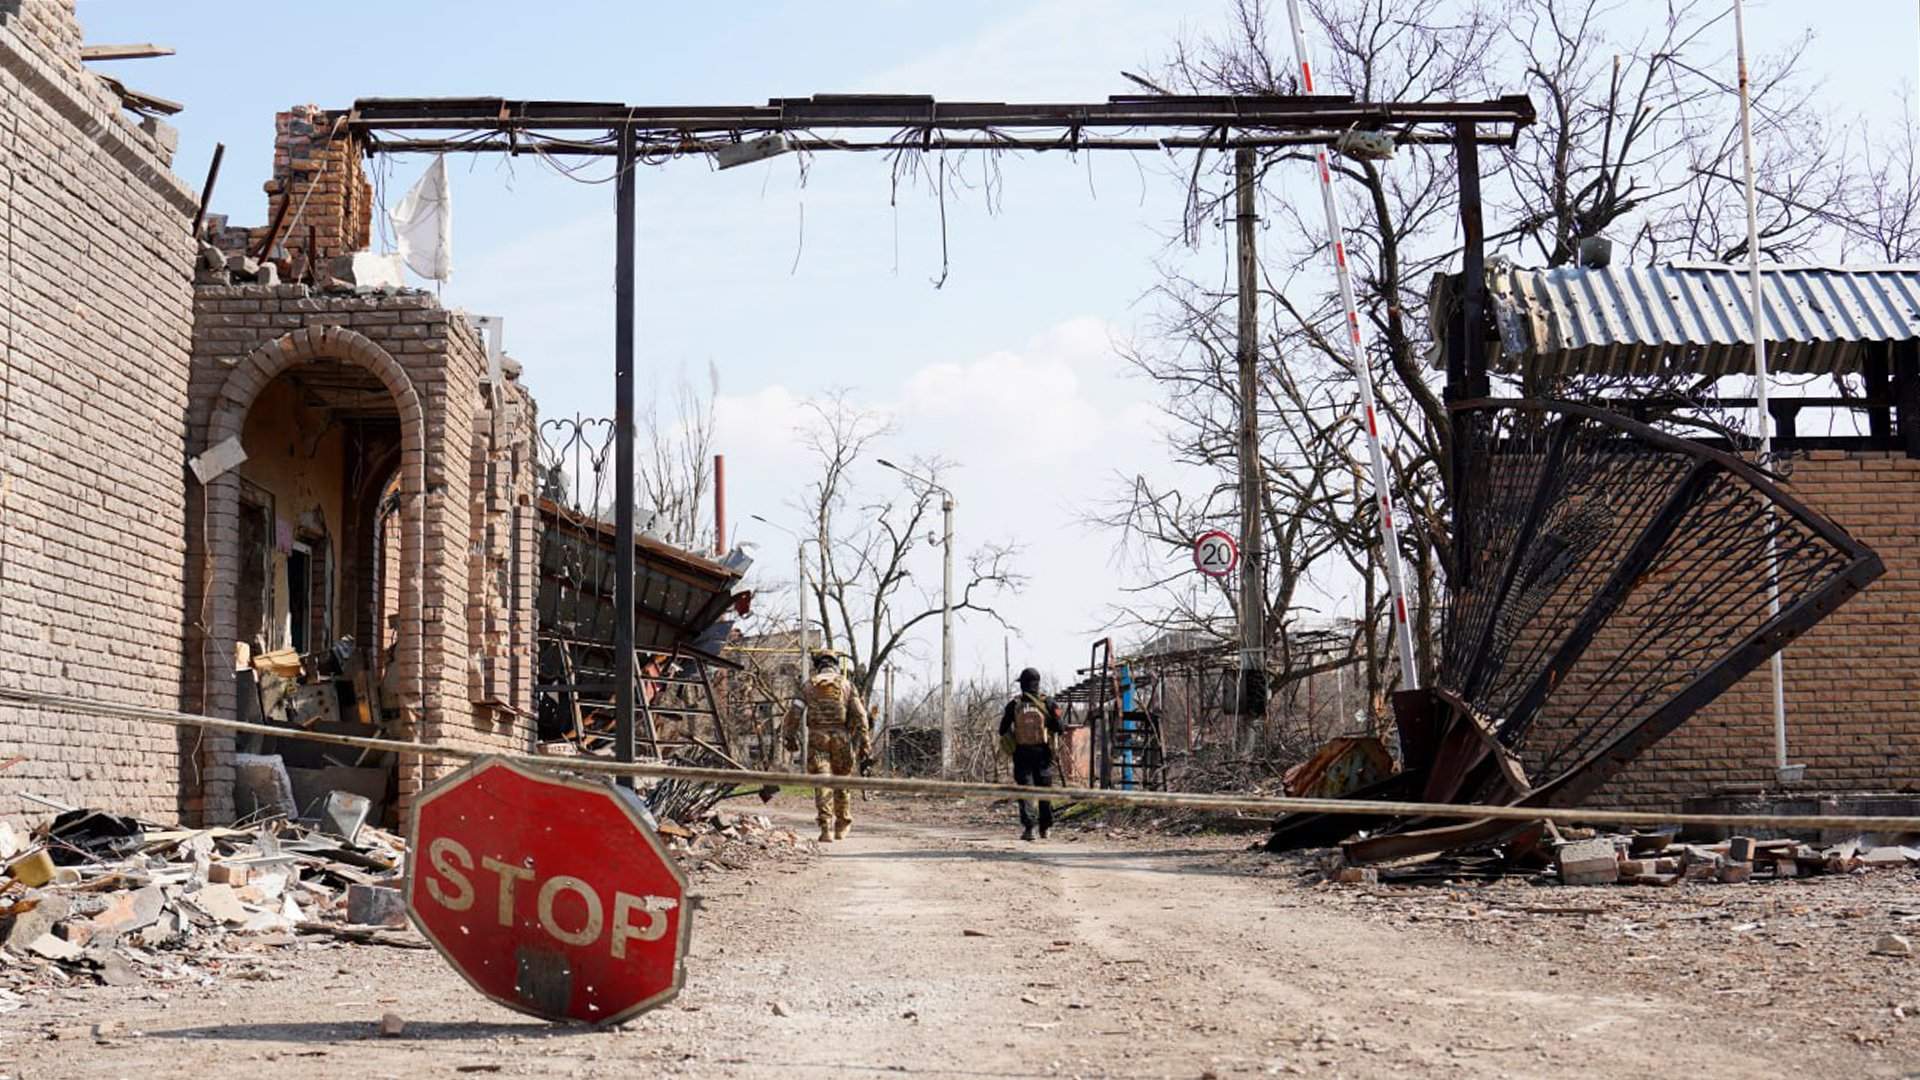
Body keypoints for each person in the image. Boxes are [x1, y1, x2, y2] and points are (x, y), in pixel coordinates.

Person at [783, 652, 871, 843]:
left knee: (822, 782)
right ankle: (842, 826)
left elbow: (794, 713)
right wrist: (865, 742)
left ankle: (825, 829)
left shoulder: (808, 685)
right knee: (842, 781)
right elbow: (861, 716)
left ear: (818, 666)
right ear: (836, 665)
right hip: (842, 739)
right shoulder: (847, 685)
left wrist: (790, 738)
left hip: (817, 739)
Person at [999, 667, 1062, 841]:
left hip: (1021, 753)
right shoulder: (1048, 702)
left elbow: (1002, 729)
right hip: (1043, 753)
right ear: (1037, 683)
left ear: (1023, 685)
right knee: (1044, 790)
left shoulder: (1014, 704)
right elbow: (1060, 727)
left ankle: (1029, 829)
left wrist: (1014, 737)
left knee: (1025, 790)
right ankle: (1045, 828)